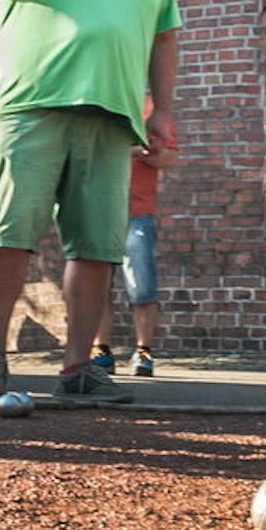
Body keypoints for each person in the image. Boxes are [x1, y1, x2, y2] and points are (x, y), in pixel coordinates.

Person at [0, 0, 179, 405]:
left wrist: (162, 110)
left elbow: (165, 34)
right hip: (31, 101)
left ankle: (77, 369)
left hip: (113, 112)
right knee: (9, 231)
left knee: (97, 246)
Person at [92, 119, 165, 376]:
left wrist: (150, 153)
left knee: (142, 285)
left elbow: (167, 157)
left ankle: (143, 351)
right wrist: (133, 150)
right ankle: (101, 349)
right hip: (99, 208)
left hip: (137, 212)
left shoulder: (150, 111)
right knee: (98, 284)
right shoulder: (99, 107)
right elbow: (91, 150)